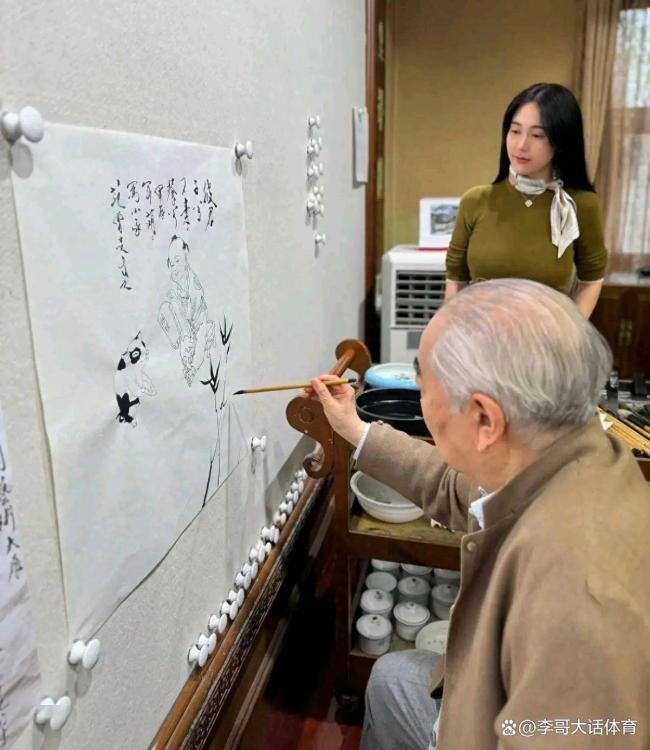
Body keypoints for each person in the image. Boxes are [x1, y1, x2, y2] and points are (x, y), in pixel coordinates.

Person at [307, 279, 649, 749]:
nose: (420, 395)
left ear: (485, 420)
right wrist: (354, 428)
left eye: (424, 383)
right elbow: (453, 487)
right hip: (488, 699)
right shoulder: (566, 449)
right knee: (391, 679)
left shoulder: (576, 594)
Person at [445, 84, 607, 318]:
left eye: (537, 135)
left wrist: (571, 330)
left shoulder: (578, 204)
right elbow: (455, 281)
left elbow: (592, 280)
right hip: (479, 334)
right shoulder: (475, 201)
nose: (521, 145)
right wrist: (454, 332)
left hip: (547, 337)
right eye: (515, 131)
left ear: (561, 140)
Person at [158, 235, 216, 385]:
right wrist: (184, 333)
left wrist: (192, 330)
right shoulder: (172, 284)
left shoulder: (193, 283)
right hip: (183, 323)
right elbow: (174, 309)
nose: (174, 267)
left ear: (186, 259)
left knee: (202, 335)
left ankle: (193, 368)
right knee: (164, 310)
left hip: (198, 320)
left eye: (177, 261)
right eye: (171, 263)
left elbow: (198, 310)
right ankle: (186, 358)